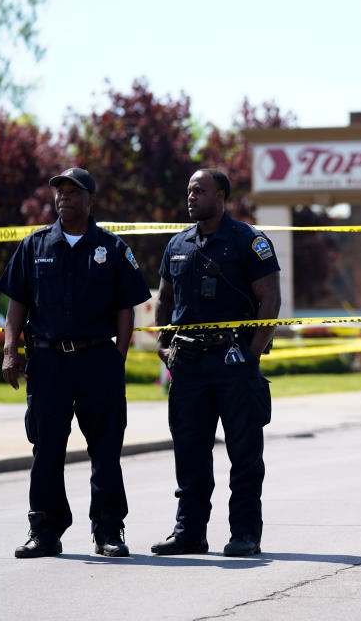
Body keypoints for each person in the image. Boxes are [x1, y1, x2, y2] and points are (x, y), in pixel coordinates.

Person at [0, 167, 151, 559]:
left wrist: (118, 358)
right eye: (59, 191)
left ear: (90, 200)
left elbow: (126, 309)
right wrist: (10, 350)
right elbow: (17, 305)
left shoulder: (112, 248)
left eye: (73, 191)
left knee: (105, 449)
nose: (64, 197)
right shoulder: (34, 246)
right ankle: (45, 531)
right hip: (48, 363)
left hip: (98, 359)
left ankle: (108, 530)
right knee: (46, 448)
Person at [150, 169, 280, 558]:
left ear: (221, 195)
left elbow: (270, 301)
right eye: (189, 190)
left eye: (200, 190)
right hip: (188, 365)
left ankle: (244, 533)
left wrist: (250, 355)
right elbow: (164, 299)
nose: (191, 196)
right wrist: (162, 343)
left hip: (233, 361)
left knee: (243, 454)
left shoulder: (248, 241)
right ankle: (189, 532)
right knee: (189, 452)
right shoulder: (178, 244)